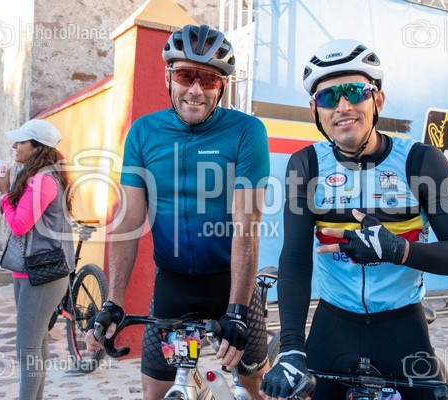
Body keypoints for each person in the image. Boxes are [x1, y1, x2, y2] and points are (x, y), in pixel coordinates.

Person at [259, 39, 448, 400]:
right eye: (329, 97)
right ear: (315, 110)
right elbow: (296, 258)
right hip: (334, 324)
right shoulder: (306, 164)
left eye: (354, 92)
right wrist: (291, 349)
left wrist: (398, 250)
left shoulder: (420, 161)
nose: (343, 106)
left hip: (403, 325)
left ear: (377, 100)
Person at [86, 24, 270, 399]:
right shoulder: (144, 132)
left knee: (252, 387)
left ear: (222, 86)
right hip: (173, 285)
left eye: (209, 79)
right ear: (169, 76)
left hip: (230, 283)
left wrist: (237, 310)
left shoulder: (246, 132)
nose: (196, 90)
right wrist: (114, 302)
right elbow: (129, 220)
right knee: (155, 390)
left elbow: (246, 226)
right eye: (186, 75)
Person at [0, 119, 75, 400]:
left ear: (37, 147)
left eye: (21, 142)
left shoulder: (42, 180)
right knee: (36, 344)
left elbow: (19, 225)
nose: (15, 146)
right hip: (28, 271)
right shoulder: (35, 177)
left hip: (44, 274)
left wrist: (4, 193)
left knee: (26, 348)